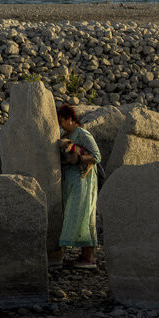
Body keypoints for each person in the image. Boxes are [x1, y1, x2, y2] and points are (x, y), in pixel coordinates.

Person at [55, 103, 101, 269]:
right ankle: (83, 256)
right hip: (73, 181)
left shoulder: (81, 133)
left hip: (84, 181)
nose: (60, 124)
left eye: (61, 121)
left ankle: (89, 258)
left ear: (69, 119)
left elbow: (96, 156)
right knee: (77, 215)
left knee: (86, 214)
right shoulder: (66, 135)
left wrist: (79, 159)